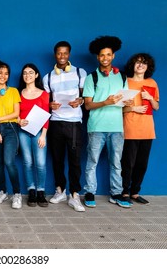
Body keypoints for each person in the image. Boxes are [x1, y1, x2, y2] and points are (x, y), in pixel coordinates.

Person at [82, 36, 132, 208]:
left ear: (113, 56)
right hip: (96, 127)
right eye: (102, 55)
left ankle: (116, 193)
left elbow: (124, 102)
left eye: (108, 55)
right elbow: (87, 105)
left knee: (116, 162)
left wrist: (128, 103)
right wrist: (105, 102)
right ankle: (89, 192)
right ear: (97, 57)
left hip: (117, 127)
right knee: (92, 161)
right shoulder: (91, 78)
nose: (105, 58)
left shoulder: (123, 77)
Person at [42, 41, 87, 212]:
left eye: (65, 53)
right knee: (57, 159)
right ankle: (60, 190)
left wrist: (80, 101)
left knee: (75, 160)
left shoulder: (79, 72)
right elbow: (45, 101)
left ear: (69, 54)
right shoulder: (48, 77)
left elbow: (84, 96)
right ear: (55, 55)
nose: (62, 56)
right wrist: (49, 106)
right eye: (59, 53)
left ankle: (74, 195)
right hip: (55, 122)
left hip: (74, 122)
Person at [121, 53, 159, 205]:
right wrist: (134, 108)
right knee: (128, 162)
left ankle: (135, 192)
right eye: (138, 62)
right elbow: (120, 108)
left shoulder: (152, 83)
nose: (140, 65)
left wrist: (150, 98)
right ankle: (124, 192)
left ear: (148, 67)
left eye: (144, 63)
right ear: (133, 65)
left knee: (142, 163)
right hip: (130, 128)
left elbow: (156, 107)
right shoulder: (125, 82)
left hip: (147, 129)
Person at [0, 60, 22, 209]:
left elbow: (16, 113)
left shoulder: (13, 91)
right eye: (0, 73)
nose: (3, 76)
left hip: (11, 128)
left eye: (6, 73)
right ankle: (3, 191)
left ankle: (17, 194)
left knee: (9, 162)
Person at [18, 63, 49, 207]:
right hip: (23, 132)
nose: (27, 75)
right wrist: (19, 121)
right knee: (27, 162)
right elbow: (15, 113)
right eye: (25, 73)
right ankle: (31, 190)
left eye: (31, 73)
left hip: (39, 133)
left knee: (41, 163)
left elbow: (46, 116)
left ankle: (41, 191)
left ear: (36, 75)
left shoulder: (43, 94)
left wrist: (43, 135)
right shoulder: (18, 93)